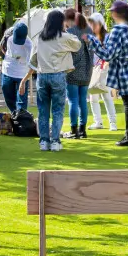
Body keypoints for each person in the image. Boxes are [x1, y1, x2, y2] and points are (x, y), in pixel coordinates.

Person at [89, 1, 128, 147]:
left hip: (124, 70)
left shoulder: (118, 30)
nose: (111, 14)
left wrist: (92, 40)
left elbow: (108, 55)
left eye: (113, 12)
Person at [26, 9, 82, 153]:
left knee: (43, 110)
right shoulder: (64, 37)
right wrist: (67, 31)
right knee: (57, 110)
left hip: (42, 76)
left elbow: (33, 57)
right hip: (58, 75)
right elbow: (78, 45)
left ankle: (44, 141)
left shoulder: (40, 37)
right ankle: (55, 141)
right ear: (60, 22)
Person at [63, 9, 93, 141]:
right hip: (87, 69)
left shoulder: (69, 32)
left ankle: (73, 129)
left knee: (73, 100)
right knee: (83, 100)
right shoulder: (89, 30)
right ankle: (83, 129)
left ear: (68, 20)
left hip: (73, 69)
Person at [0, 21, 32, 117]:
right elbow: (1, 47)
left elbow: (32, 66)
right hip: (7, 71)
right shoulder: (8, 36)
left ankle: (21, 119)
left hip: (22, 74)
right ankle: (14, 116)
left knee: (21, 100)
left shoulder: (29, 45)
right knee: (8, 97)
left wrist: (24, 81)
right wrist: (6, 59)